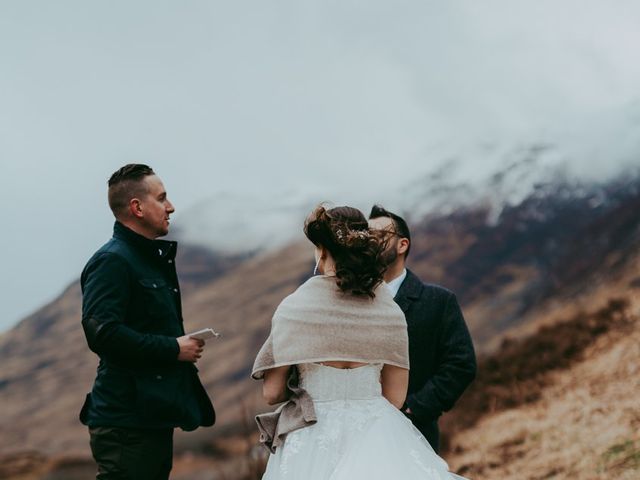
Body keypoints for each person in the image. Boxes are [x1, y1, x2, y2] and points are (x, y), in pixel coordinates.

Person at [252, 205, 468, 480]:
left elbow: (272, 393)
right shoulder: (388, 310)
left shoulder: (295, 308)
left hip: (311, 435)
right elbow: (395, 397)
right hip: (375, 434)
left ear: (322, 250)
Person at [79, 164, 215, 480]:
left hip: (150, 415)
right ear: (137, 207)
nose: (171, 207)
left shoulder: (147, 259)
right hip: (126, 422)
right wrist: (173, 348)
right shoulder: (112, 261)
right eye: (162, 198)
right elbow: (103, 334)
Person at [368, 204, 476, 452]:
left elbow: (461, 363)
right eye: (366, 236)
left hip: (415, 433)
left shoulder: (438, 301)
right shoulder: (354, 300)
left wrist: (415, 406)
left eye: (379, 235)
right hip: (358, 436)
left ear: (402, 244)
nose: (370, 242)